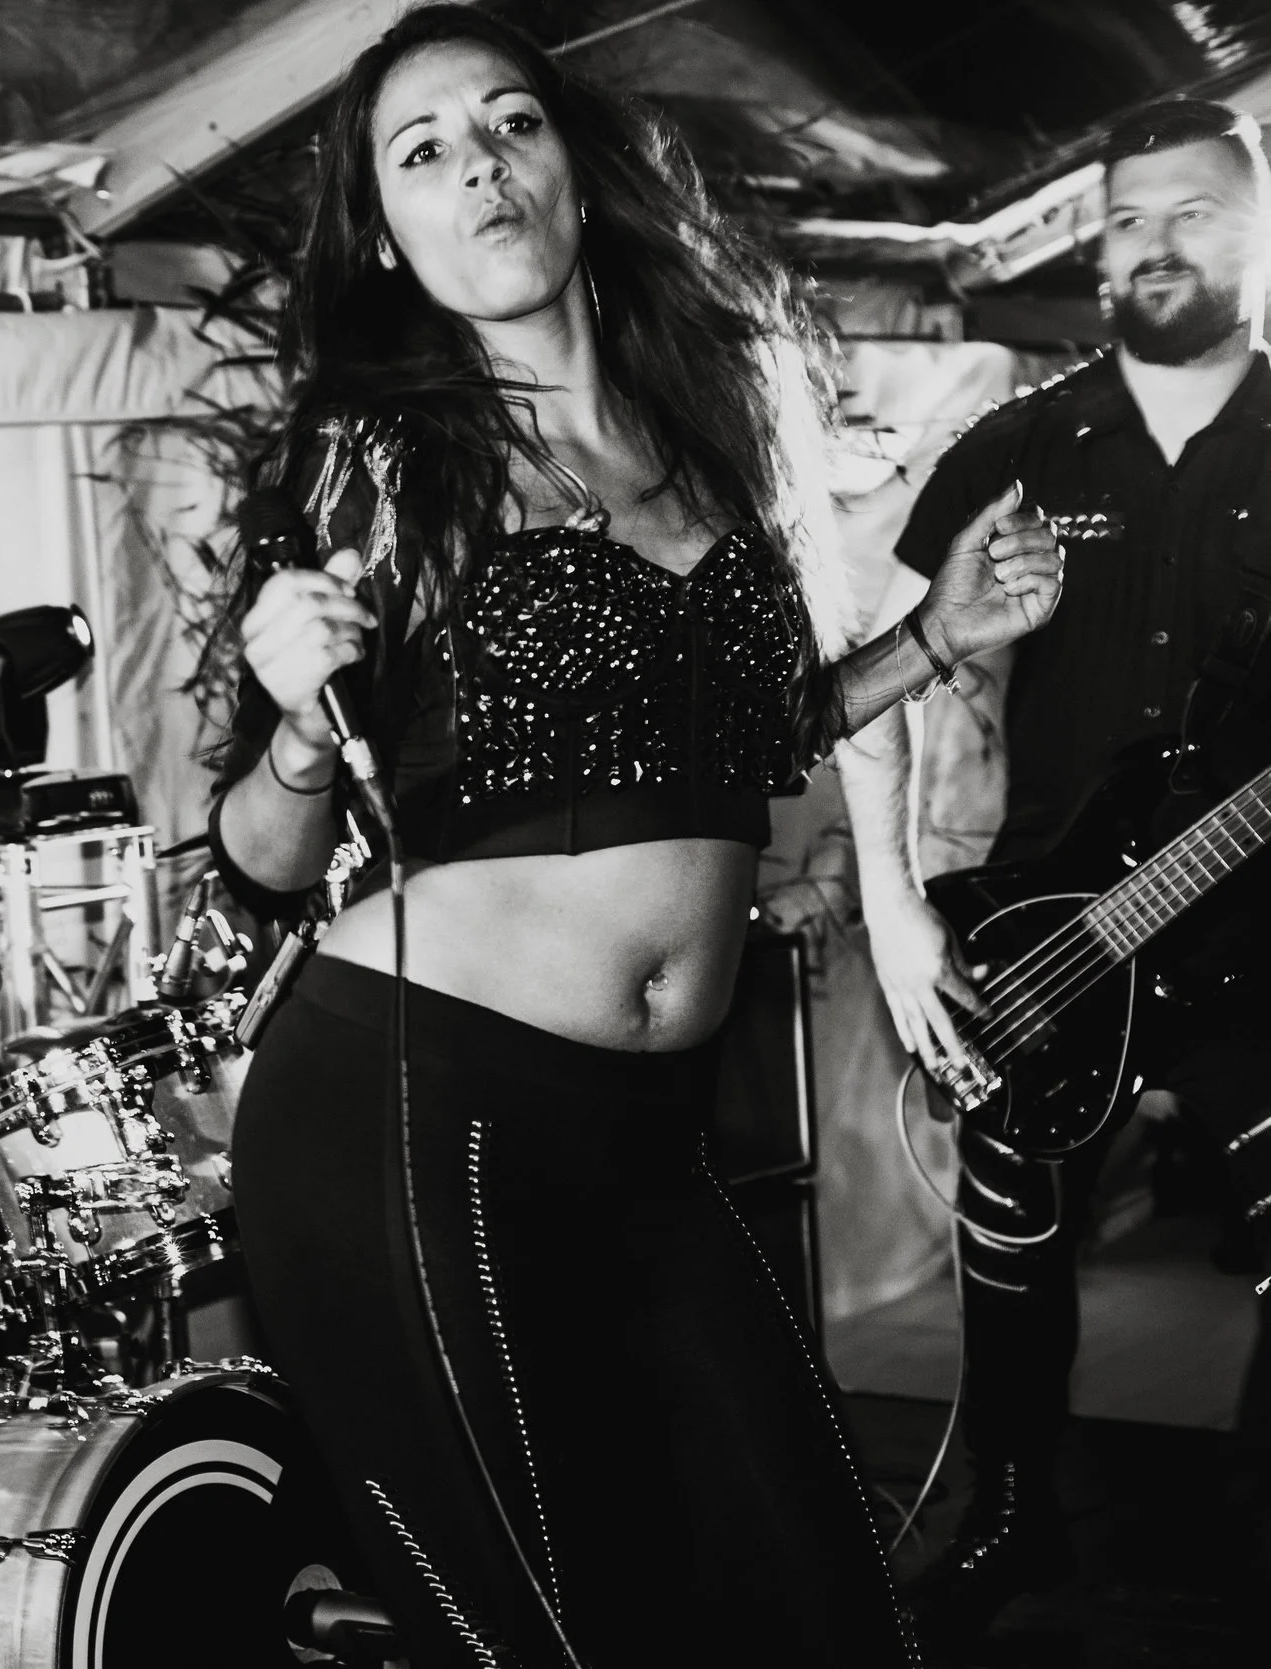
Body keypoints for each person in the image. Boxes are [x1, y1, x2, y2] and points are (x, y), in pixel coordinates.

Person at [208, 7, 1060, 1664]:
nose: (481, 167)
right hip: (417, 1117)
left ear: (573, 172)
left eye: (507, 122)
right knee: (565, 1634)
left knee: (819, 1599)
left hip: (650, 1139)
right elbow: (258, 850)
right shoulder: (384, 461)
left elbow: (739, 741)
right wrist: (305, 717)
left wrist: (934, 639)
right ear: (387, 232)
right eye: (426, 149)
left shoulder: (701, 444)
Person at [841, 96, 1271, 1646]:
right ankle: (1011, 1522)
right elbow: (868, 670)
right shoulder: (1023, 441)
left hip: (1259, 953)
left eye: (1198, 211)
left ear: (1259, 228)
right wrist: (894, 913)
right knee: (1012, 1279)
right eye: (1131, 216)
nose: (1161, 242)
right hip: (1053, 935)